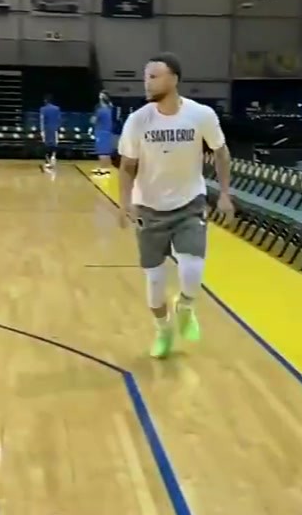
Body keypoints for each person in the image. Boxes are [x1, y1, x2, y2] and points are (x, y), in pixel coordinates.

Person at [118, 53, 234, 359]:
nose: (147, 82)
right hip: (149, 207)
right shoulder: (138, 120)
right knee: (155, 283)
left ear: (174, 79)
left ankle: (185, 307)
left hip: (189, 203)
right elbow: (127, 166)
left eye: (154, 76)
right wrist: (124, 203)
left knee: (192, 269)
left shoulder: (201, 115)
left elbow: (221, 153)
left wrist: (224, 193)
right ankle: (163, 331)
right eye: (146, 76)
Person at [91, 92, 114, 176]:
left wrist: (94, 115)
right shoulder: (110, 109)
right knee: (106, 152)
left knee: (102, 152)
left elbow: (93, 120)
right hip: (108, 132)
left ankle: (103, 170)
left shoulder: (100, 110)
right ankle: (106, 168)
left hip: (101, 132)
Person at [39, 95, 62, 172]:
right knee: (54, 144)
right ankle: (53, 157)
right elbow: (59, 119)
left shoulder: (43, 109)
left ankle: (47, 161)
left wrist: (41, 130)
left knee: (46, 145)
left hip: (46, 129)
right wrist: (58, 128)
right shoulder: (57, 108)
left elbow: (42, 120)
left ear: (45, 100)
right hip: (55, 128)